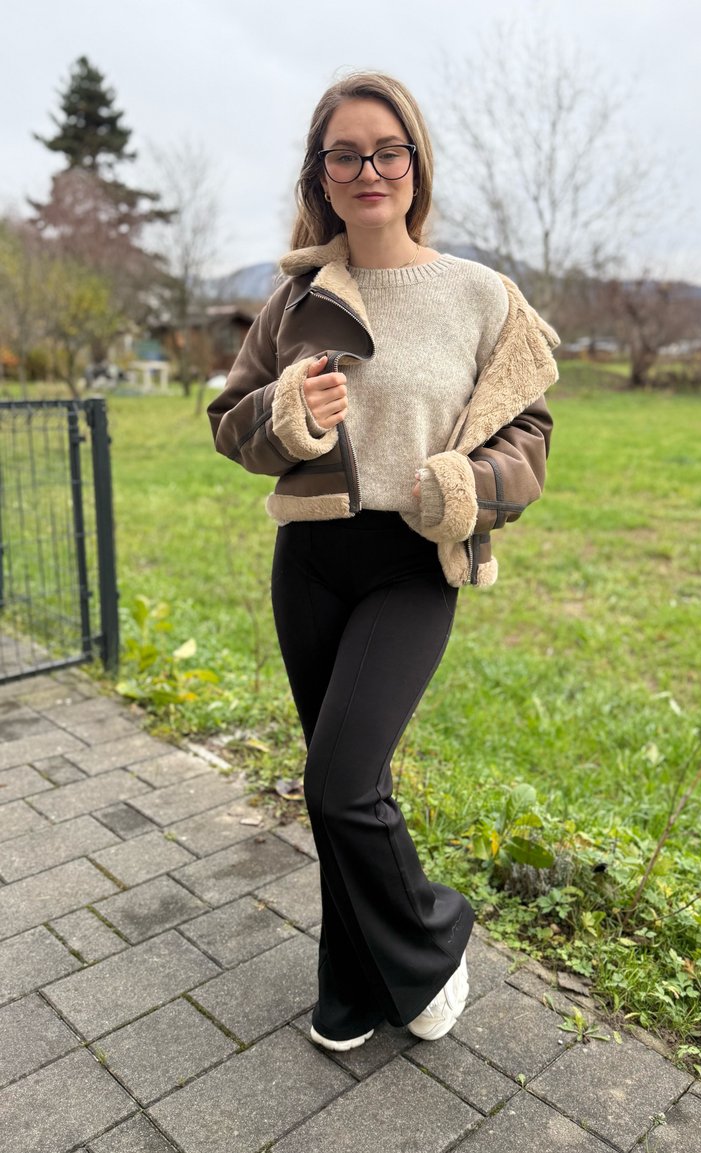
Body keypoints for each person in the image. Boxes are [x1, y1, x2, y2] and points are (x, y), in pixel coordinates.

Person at [208, 72, 559, 1052]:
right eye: (344, 153)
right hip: (311, 557)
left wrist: (465, 484)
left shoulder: (481, 295)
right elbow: (227, 424)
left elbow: (527, 434)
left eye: (386, 149)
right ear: (320, 175)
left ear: (414, 163)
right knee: (344, 783)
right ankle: (350, 979)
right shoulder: (296, 295)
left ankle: (434, 933)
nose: (368, 169)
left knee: (337, 783)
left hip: (411, 560)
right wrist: (284, 417)